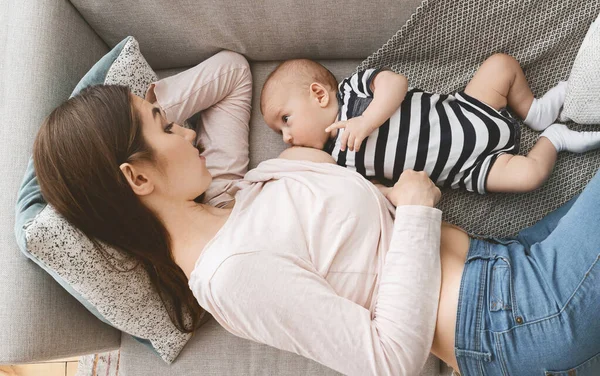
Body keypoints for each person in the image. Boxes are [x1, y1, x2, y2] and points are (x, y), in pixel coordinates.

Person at [32, 50, 600, 375]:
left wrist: (126, 119)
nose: (184, 128)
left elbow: (231, 74)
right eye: (164, 126)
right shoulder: (232, 275)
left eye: (168, 114)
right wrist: (417, 213)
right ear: (137, 177)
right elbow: (387, 358)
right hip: (510, 318)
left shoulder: (231, 195)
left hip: (507, 263)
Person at [260, 55, 600, 193]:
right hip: (469, 168)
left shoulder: (355, 89)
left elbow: (397, 84)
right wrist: (392, 195)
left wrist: (366, 121)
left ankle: (534, 111)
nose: (287, 137)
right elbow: (371, 192)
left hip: (469, 108)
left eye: (285, 120)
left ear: (318, 94)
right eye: (280, 132)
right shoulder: (337, 162)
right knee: (529, 176)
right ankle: (554, 139)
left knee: (500, 65)